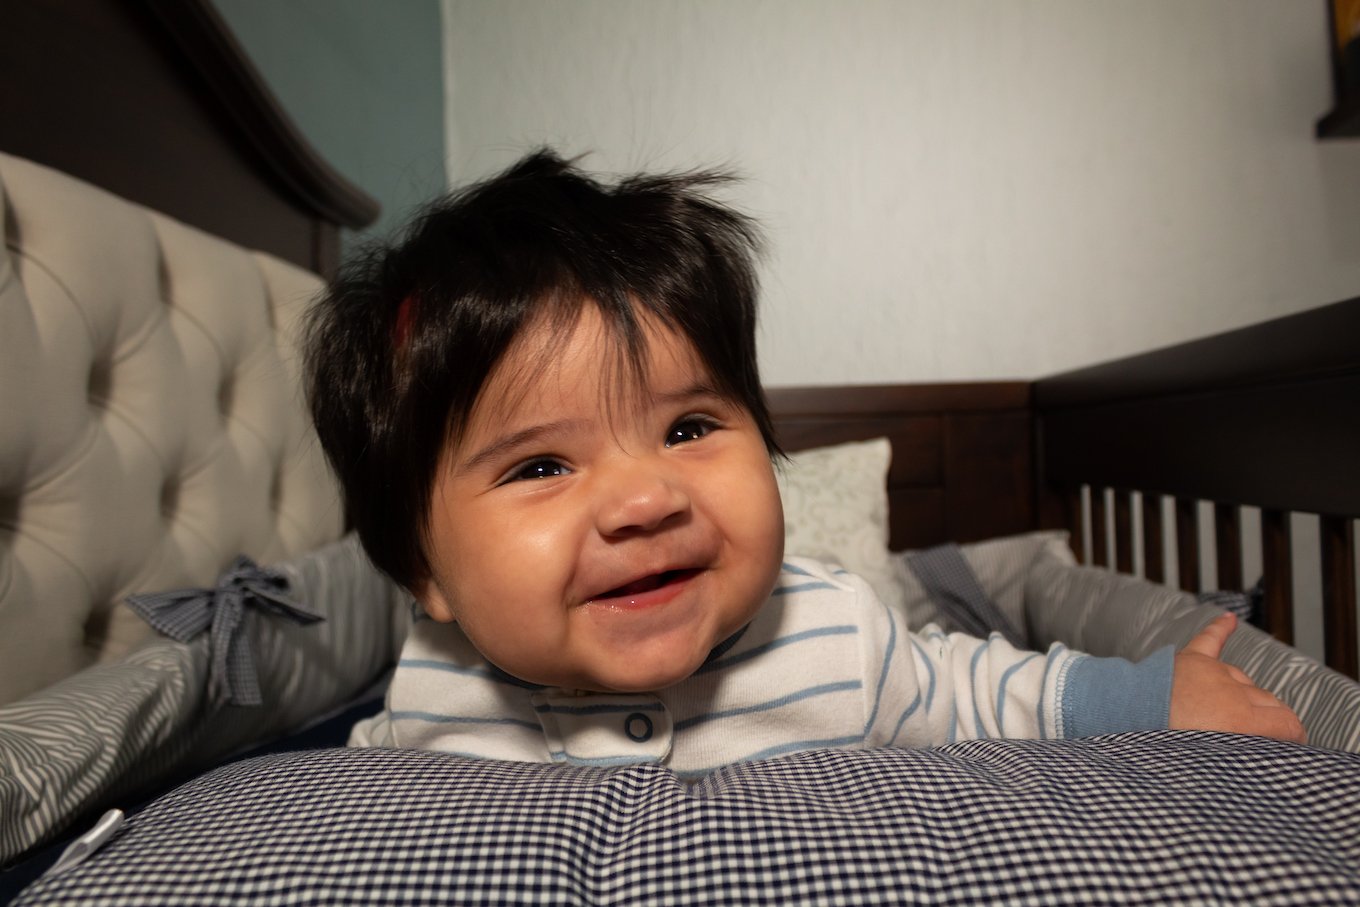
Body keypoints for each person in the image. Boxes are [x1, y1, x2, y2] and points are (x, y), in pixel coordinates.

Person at [304, 149, 1303, 777]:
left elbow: (987, 690)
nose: (646, 498)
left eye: (689, 428)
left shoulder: (835, 638)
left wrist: (1149, 695)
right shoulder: (428, 695)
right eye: (538, 467)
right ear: (423, 571)